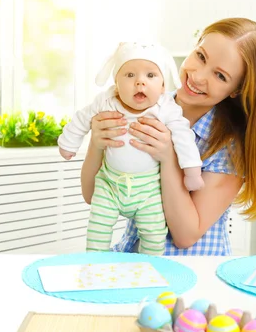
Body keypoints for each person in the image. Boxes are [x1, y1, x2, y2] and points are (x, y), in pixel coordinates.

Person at [80, 18, 256, 255]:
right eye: (201, 56)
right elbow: (92, 195)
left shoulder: (227, 146)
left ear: (236, 90)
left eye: (220, 76)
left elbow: (185, 235)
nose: (198, 76)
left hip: (190, 268)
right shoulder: (142, 105)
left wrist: (169, 158)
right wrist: (96, 144)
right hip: (133, 257)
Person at [58, 42, 204, 255]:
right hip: (110, 183)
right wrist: (68, 144)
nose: (140, 82)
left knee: (154, 235)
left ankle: (151, 268)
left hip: (149, 189)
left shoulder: (166, 109)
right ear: (116, 82)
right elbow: (82, 118)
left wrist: (192, 171)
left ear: (163, 86)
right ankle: (95, 264)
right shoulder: (106, 102)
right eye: (129, 75)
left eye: (151, 76)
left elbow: (184, 138)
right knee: (97, 230)